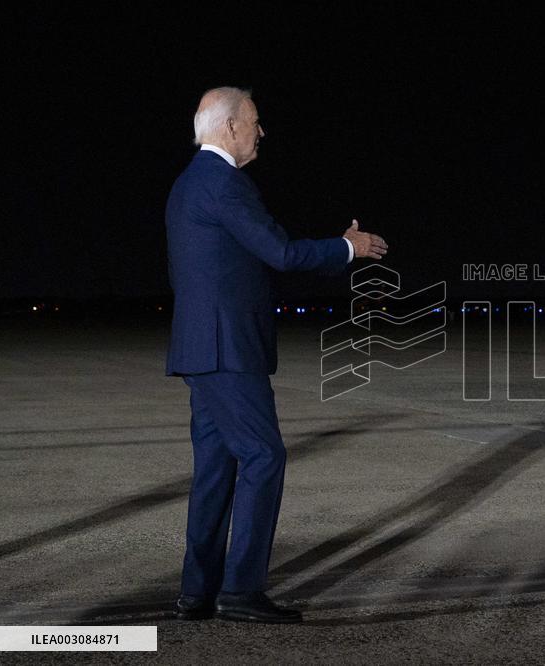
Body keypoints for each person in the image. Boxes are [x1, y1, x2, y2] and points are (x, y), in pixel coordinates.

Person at [165, 87, 387, 623]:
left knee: (216, 469)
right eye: (256, 121)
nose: (262, 131)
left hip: (203, 348)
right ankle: (240, 591)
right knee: (265, 457)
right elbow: (281, 253)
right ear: (231, 127)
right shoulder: (224, 183)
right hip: (229, 349)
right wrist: (346, 249)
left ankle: (199, 591)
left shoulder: (189, 183)